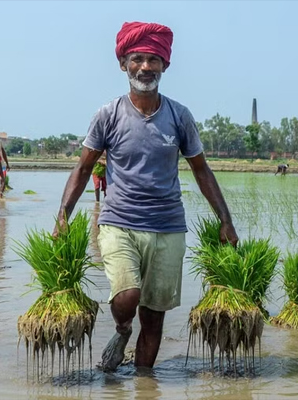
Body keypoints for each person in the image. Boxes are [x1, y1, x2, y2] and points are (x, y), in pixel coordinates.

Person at [52, 21, 238, 373]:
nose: (145, 67)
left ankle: (144, 384)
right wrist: (63, 214)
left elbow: (201, 170)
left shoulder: (179, 116)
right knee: (127, 296)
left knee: (154, 318)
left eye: (153, 60)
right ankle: (122, 329)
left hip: (168, 227)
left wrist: (225, 220)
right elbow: (82, 168)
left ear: (165, 65)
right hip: (119, 222)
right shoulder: (108, 115)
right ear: (123, 64)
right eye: (137, 58)